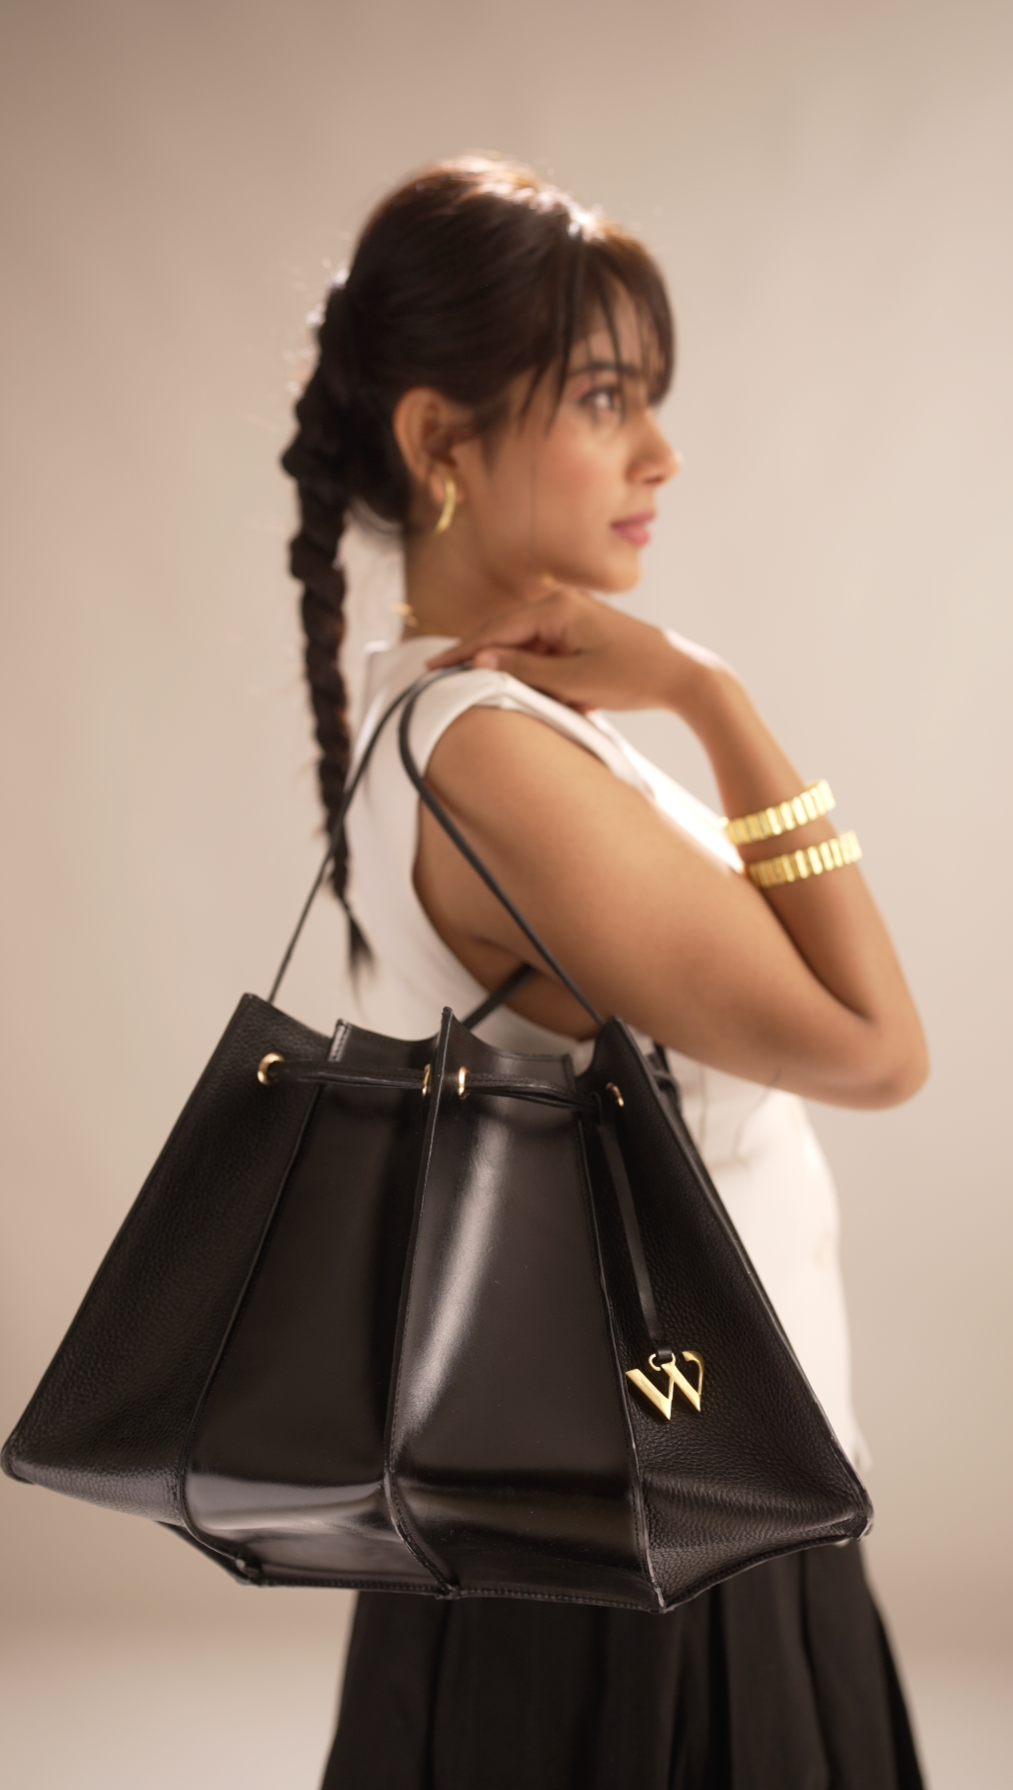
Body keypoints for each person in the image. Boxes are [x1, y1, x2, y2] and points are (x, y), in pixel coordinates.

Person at [282, 157, 927, 1790]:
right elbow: (875, 1041)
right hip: (656, 1518)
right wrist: (715, 697)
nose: (660, 449)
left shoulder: (444, 718)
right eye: (601, 397)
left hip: (614, 1487)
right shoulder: (497, 757)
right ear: (442, 442)